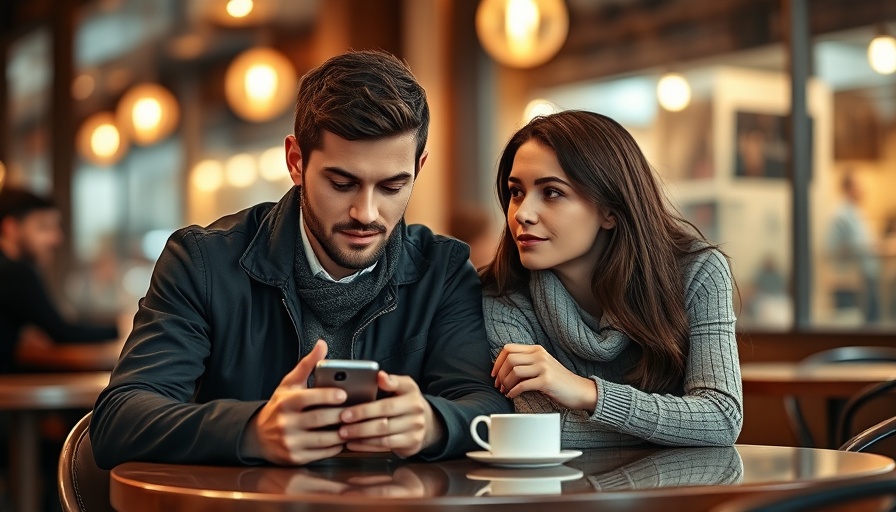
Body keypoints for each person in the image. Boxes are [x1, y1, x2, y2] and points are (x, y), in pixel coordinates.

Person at [90, 50, 511, 469]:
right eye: (342, 183)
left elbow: (487, 406)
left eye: (391, 187)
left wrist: (434, 423)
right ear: (296, 161)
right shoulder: (202, 263)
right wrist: (252, 430)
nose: (365, 212)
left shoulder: (443, 271)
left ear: (418, 168)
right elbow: (118, 420)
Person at [480, 110, 742, 448]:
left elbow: (721, 418)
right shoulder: (502, 296)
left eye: (551, 193)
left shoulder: (697, 271)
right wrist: (677, 426)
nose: (522, 214)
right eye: (516, 192)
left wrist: (585, 392)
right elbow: (541, 434)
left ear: (610, 211)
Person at [0, 186, 119, 373]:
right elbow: (62, 332)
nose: (56, 238)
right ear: (11, 228)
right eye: (44, 227)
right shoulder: (15, 272)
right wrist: (122, 327)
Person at [826, 170, 880, 323]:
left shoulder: (857, 212)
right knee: (852, 324)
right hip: (849, 281)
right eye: (858, 185)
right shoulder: (840, 214)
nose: (862, 189)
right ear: (848, 188)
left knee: (870, 323)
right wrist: (862, 248)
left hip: (865, 276)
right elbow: (831, 248)